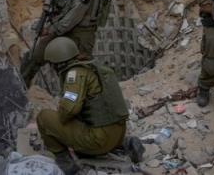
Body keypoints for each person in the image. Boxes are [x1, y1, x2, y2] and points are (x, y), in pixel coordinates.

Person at [36, 37, 141, 174]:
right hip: (119, 133)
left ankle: (65, 161)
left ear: (57, 62)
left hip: (100, 140)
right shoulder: (94, 67)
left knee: (44, 117)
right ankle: (124, 144)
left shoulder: (75, 74)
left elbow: (68, 110)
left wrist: (60, 114)